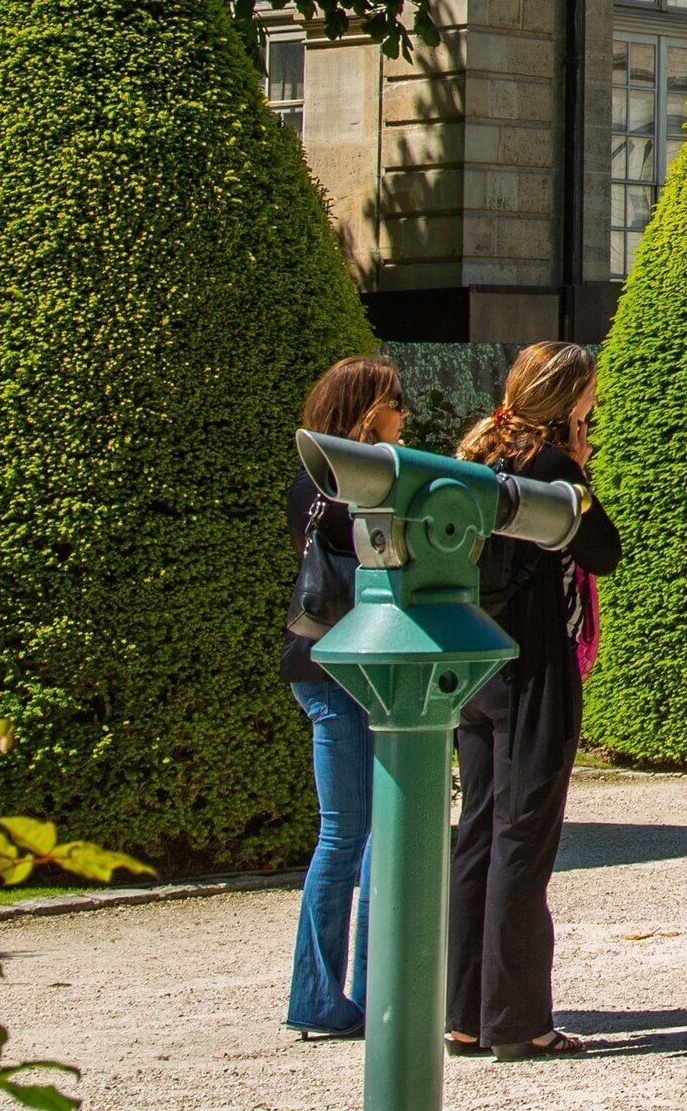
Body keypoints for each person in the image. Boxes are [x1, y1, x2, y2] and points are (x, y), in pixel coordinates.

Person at [444, 342, 622, 1060]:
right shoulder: (550, 468)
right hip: (534, 665)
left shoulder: (477, 454)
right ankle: (520, 1020)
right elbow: (603, 550)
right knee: (525, 837)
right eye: (588, 398)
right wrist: (579, 473)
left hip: (477, 664)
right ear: (566, 399)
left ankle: (465, 1014)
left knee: (479, 832)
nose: (595, 409)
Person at [283, 355, 404, 1040]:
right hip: (341, 670)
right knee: (349, 834)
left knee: (359, 835)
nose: (406, 413)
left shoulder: (315, 483)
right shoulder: (342, 485)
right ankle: (322, 994)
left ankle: (349, 988)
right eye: (395, 402)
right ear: (365, 412)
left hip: (325, 664)